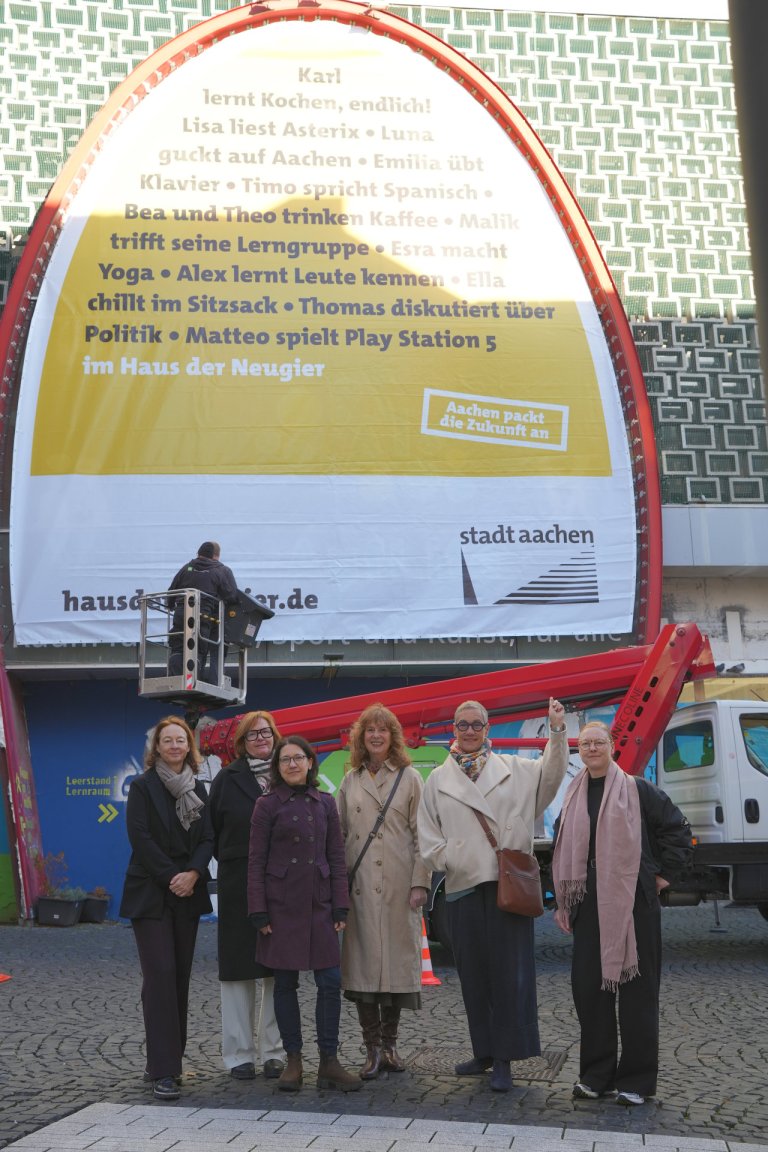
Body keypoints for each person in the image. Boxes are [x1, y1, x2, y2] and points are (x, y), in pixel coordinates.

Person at [417, 696, 568, 1093]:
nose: (469, 731)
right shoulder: (437, 780)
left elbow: (553, 774)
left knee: (508, 975)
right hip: (463, 885)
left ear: (487, 729)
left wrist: (556, 731)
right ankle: (483, 1050)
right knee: (473, 975)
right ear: (453, 729)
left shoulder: (516, 770)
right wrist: (450, 858)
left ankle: (505, 1057)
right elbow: (427, 833)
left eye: (476, 724)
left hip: (506, 884)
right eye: (462, 724)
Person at [552, 720, 692, 1107]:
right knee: (590, 992)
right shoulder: (573, 795)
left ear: (612, 746)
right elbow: (562, 846)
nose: (592, 748)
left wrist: (663, 875)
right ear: (579, 751)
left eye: (598, 742)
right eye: (585, 744)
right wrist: (563, 902)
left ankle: (637, 1082)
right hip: (588, 905)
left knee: (637, 994)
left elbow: (678, 829)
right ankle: (596, 1077)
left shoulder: (638, 789)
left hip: (634, 904)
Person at [247, 735, 362, 1093]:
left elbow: (337, 857)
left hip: (320, 905)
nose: (292, 764)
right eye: (285, 760)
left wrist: (340, 903)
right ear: (277, 766)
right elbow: (256, 862)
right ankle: (293, 1060)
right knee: (285, 984)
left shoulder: (325, 802)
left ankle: (329, 1061)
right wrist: (258, 909)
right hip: (281, 907)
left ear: (310, 762)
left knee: (329, 982)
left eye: (298, 758)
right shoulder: (266, 805)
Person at [119, 715, 214, 1102]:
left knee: (178, 978)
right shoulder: (142, 787)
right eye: (168, 740)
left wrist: (193, 873)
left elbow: (208, 838)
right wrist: (173, 876)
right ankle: (165, 1071)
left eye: (181, 740)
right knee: (159, 974)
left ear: (189, 747)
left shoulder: (199, 789)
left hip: (187, 892)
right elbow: (139, 837)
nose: (175, 746)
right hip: (151, 891)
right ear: (156, 748)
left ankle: (165, 1058)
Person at [337, 704, 431, 1079]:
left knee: (394, 968)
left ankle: (390, 1045)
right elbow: (339, 836)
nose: (376, 736)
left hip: (398, 886)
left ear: (393, 737)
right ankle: (372, 1049)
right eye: (370, 730)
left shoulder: (410, 778)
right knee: (363, 971)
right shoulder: (350, 781)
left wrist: (420, 882)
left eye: (383, 730)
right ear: (361, 737)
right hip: (360, 889)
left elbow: (424, 835)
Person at [208, 710, 284, 1082]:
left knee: (278, 970)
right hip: (238, 883)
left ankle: (274, 1052)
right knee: (238, 969)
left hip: (283, 884)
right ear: (242, 742)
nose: (260, 739)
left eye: (265, 732)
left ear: (275, 736)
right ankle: (238, 1054)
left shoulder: (288, 772)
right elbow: (213, 832)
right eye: (252, 734)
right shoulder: (227, 779)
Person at [168, 541, 239, 681]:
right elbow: (232, 596)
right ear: (216, 556)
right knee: (199, 649)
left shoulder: (186, 568)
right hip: (204, 617)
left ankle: (177, 679)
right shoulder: (221, 570)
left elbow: (171, 592)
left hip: (181, 614)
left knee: (178, 648)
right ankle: (193, 681)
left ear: (198, 554)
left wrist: (170, 605)